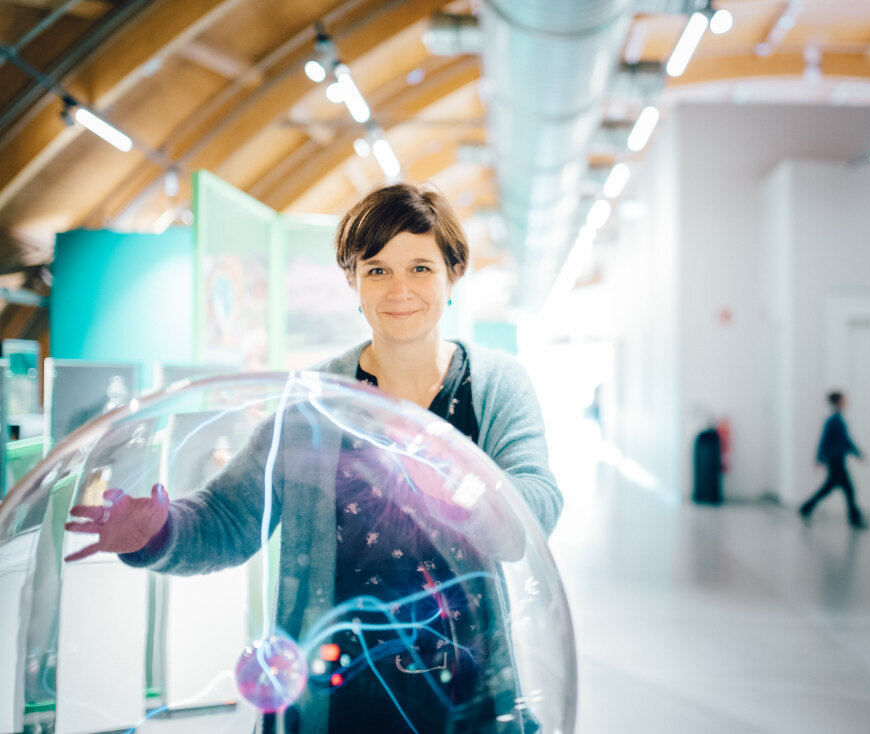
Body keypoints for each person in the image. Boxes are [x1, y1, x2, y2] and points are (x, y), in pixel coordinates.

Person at [64, 183, 562, 734]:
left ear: (452, 274)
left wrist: (460, 487)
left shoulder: (494, 386)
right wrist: (158, 533)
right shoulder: (315, 399)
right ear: (354, 281)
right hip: (334, 700)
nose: (399, 288)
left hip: (466, 694)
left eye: (420, 267)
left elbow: (534, 510)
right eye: (377, 270)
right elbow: (230, 518)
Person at [798, 391, 866, 529]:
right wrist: (819, 459)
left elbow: (844, 441)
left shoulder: (838, 419)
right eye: (844, 400)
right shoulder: (834, 420)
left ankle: (806, 508)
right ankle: (854, 518)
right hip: (835, 461)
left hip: (837, 459)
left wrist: (857, 453)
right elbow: (827, 441)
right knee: (848, 489)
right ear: (837, 402)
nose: (847, 402)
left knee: (831, 488)